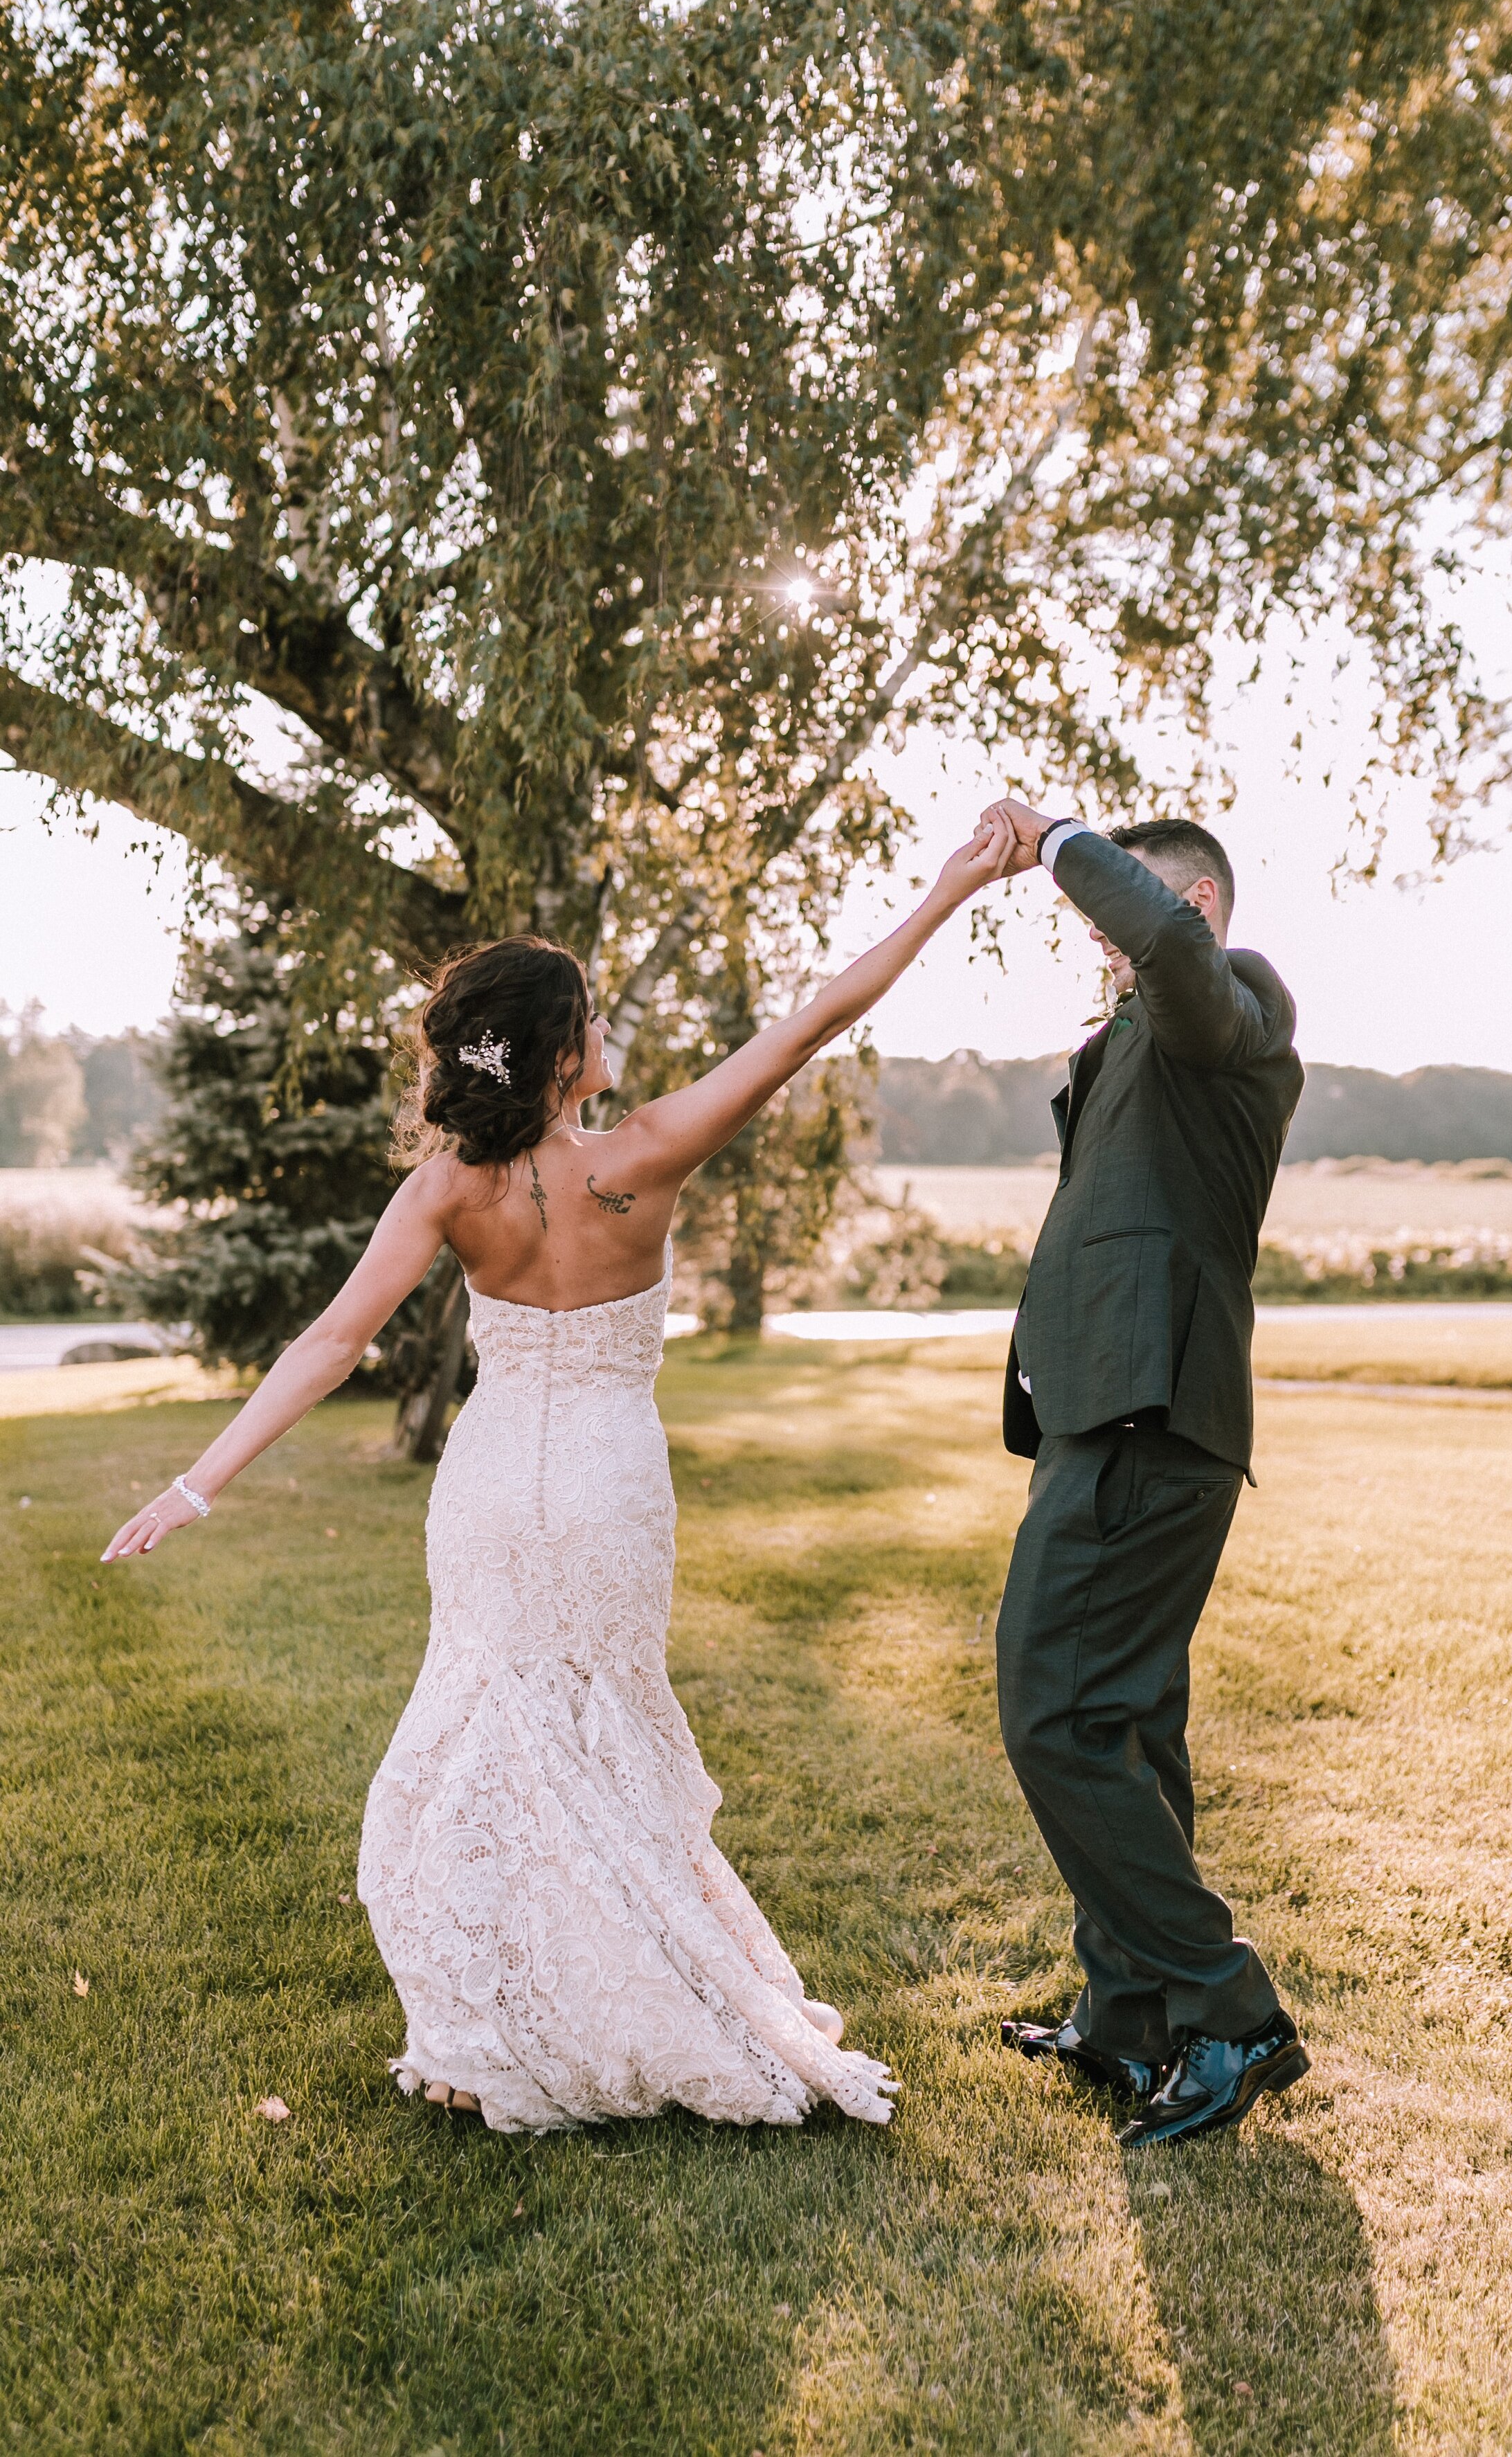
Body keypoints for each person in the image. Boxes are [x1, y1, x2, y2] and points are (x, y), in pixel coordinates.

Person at [101, 818, 1016, 2134]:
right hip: (606, 1485)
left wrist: (198, 1483)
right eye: (593, 1016)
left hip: (486, 1489)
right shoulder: (644, 1154)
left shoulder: (449, 1187)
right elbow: (816, 1021)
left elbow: (330, 1339)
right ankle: (621, 2004)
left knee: (489, 1736)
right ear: (568, 1053)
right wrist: (944, 892)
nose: (609, 1034)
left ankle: (495, 2022)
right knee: (601, 1740)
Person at [980, 795, 1310, 2148]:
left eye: (1128, 911)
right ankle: (1131, 2022)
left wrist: (1057, 839)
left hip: (1148, 1413)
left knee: (1049, 1708)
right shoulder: (1132, 1036)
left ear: (1190, 907)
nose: (1106, 945)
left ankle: (1224, 2008)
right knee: (1120, 1720)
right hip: (1107, 1411)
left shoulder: (1232, 994)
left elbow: (1169, 957)